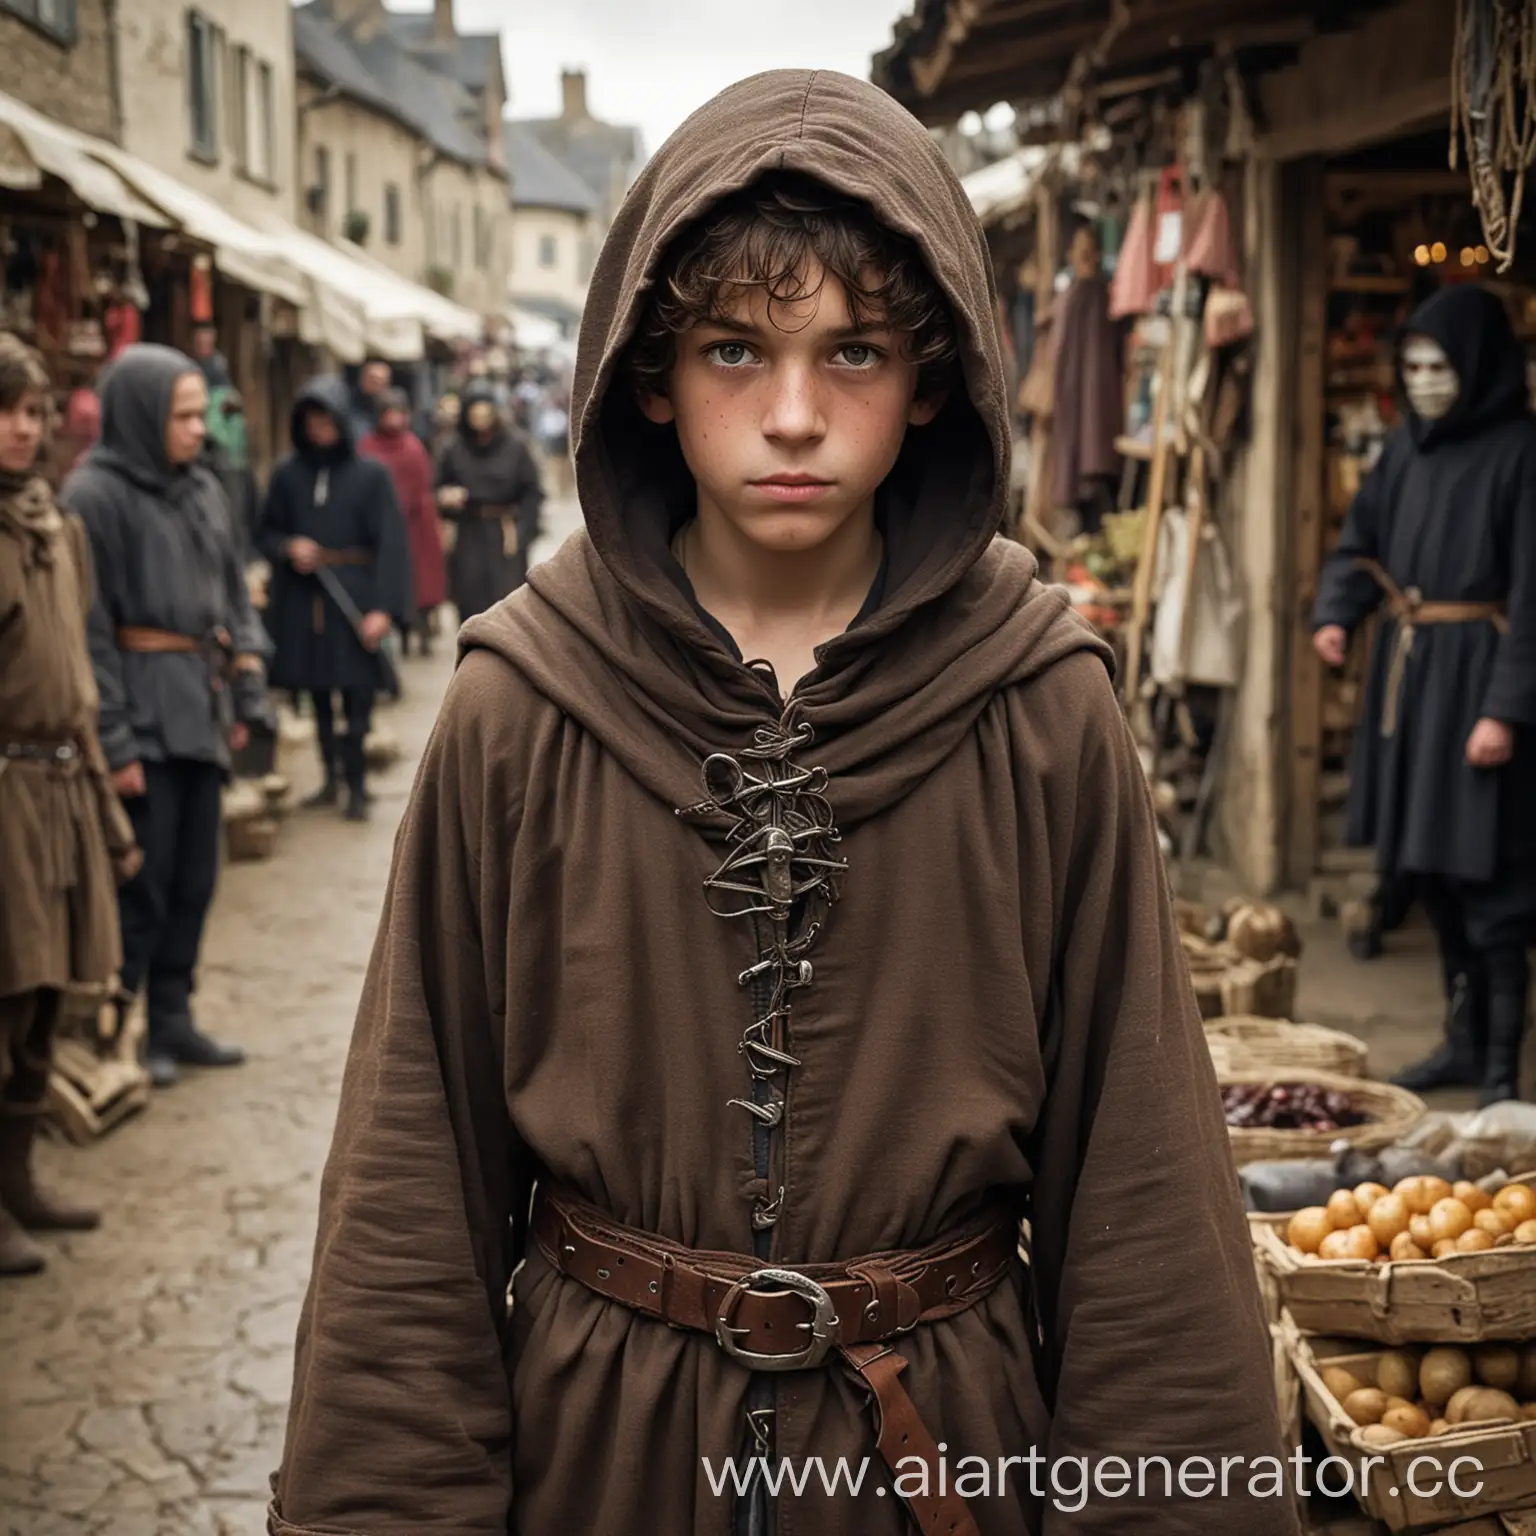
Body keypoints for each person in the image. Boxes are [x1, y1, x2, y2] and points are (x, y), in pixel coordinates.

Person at [271, 73, 1293, 1536]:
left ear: (934, 375)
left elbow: (1141, 1197)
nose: (797, 416)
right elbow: (409, 1190)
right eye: (736, 351)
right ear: (650, 371)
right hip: (603, 1465)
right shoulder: (518, 706)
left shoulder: (1044, 707)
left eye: (856, 351)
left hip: (939, 1461)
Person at [1314, 285, 1535, 1106]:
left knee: (1493, 887)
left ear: (1475, 365)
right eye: (1412, 365)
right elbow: (1358, 544)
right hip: (1414, 686)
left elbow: (1533, 590)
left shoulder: (1522, 453)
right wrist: (1338, 615)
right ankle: (1461, 1044)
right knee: (1432, 875)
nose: (1425, 379)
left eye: (1440, 365)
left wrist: (1505, 710)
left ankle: (1505, 1072)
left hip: (1481, 686)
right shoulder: (1405, 451)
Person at [63, 345, 270, 1089]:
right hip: (141, 717)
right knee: (140, 888)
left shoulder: (203, 488)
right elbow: (87, 631)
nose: (196, 428)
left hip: (199, 708)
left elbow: (234, 594)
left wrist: (245, 687)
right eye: (181, 415)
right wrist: (114, 742)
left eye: (198, 413)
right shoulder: (93, 498)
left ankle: (175, 1018)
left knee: (194, 878)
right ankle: (128, 1030)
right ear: (141, 415)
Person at [0, 336, 140, 1276]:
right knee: (3, 998)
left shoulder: (58, 528)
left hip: (61, 786)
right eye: (6, 410)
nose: (22, 427)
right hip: (3, 795)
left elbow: (79, 678)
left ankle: (19, 1180)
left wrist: (107, 814)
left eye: (34, 411)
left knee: (50, 999)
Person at [259, 376, 411, 822]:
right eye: (311, 421)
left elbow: (391, 545)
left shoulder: (371, 475)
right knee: (320, 699)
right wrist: (289, 548)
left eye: (327, 420)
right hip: (307, 604)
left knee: (359, 700)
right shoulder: (288, 475)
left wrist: (383, 608)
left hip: (355, 601)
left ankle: (358, 785)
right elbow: (264, 532)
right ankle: (330, 780)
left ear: (342, 422)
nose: (319, 430)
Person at [434, 380, 543, 621]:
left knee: (508, 605)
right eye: (475, 413)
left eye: (485, 413)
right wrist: (445, 497)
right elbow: (436, 489)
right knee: (470, 603)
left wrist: (522, 532)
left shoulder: (516, 446)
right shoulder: (453, 447)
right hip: (468, 533)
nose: (480, 419)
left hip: (504, 533)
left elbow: (532, 493)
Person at [360, 387, 445, 656]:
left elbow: (421, 484)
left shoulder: (413, 447)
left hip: (416, 525)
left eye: (398, 413)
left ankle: (421, 632)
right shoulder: (367, 447)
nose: (394, 420)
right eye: (389, 414)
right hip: (380, 525)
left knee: (421, 583)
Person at [348, 357, 392, 445]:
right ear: (363, 379)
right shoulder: (348, 405)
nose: (378, 386)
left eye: (382, 382)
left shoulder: (391, 410)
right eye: (373, 381)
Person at [190, 323, 231, 390]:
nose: (202, 347)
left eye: (205, 343)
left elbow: (223, 391)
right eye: (199, 344)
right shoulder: (193, 363)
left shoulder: (218, 365)